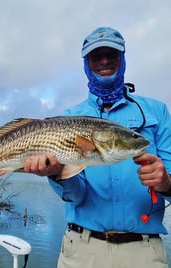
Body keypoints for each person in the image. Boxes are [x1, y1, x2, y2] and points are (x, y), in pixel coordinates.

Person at [24, 27, 171, 268]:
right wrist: (57, 174)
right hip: (83, 249)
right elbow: (75, 196)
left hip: (144, 251)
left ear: (122, 59)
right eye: (96, 56)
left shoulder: (157, 111)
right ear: (86, 63)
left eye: (111, 54)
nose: (104, 61)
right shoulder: (69, 118)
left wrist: (166, 181)